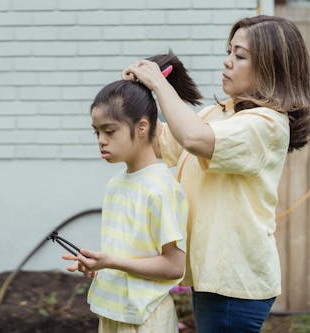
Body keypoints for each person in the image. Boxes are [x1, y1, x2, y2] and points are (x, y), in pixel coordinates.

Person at [121, 15, 310, 333]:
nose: (227, 62)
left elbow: (194, 138)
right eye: (229, 51)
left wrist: (159, 84)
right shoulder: (218, 114)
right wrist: (129, 101)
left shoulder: (267, 125)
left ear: (271, 67)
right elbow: (161, 141)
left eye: (240, 55)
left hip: (234, 281)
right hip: (214, 274)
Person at [62, 52, 203, 332]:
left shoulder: (161, 188)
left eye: (109, 131)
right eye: (96, 132)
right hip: (112, 312)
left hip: (146, 318)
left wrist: (113, 261)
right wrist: (100, 264)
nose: (101, 141)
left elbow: (174, 267)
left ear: (142, 128)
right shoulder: (116, 185)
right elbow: (129, 256)